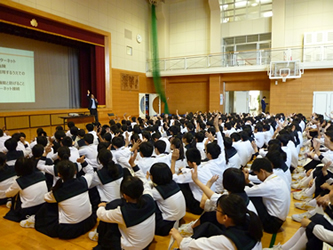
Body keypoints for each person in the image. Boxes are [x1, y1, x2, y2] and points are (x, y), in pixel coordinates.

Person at [170, 193, 263, 250]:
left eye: (217, 210)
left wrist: (177, 236)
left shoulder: (226, 241)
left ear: (225, 218)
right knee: (208, 226)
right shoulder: (249, 220)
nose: (215, 211)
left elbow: (186, 245)